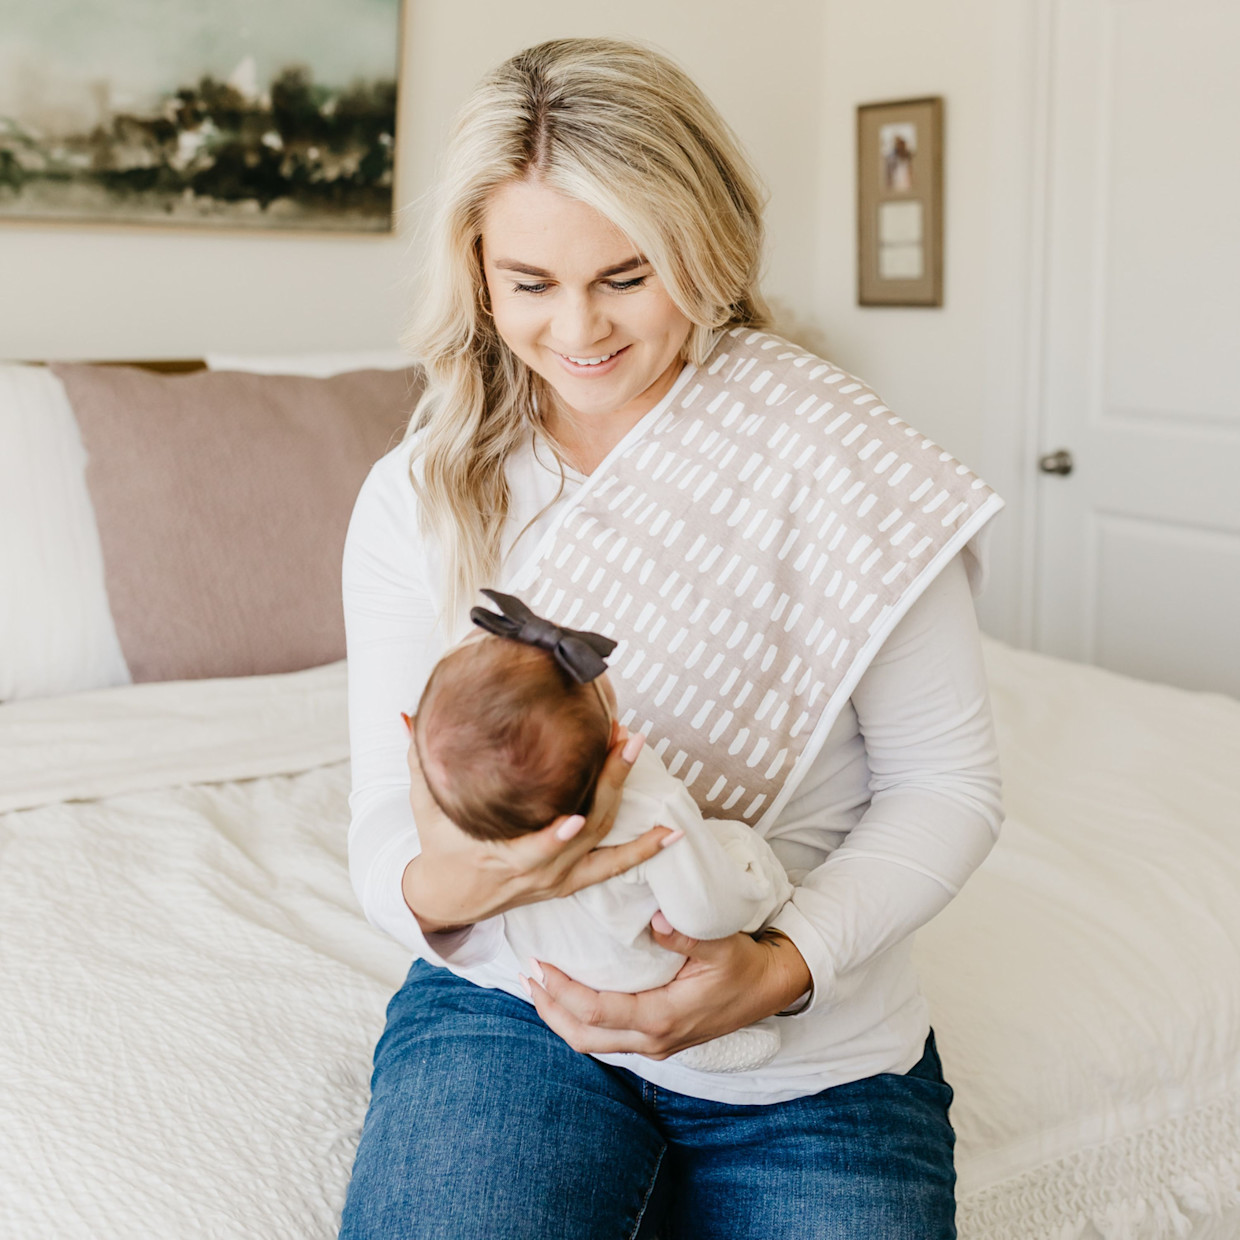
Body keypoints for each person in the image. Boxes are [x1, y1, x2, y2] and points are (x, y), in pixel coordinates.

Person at [339, 36, 1003, 1240]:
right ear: (476, 272)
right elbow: (386, 818)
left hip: (812, 1046)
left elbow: (947, 784)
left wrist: (779, 965)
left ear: (703, 247)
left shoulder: (830, 453)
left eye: (626, 275)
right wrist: (463, 882)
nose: (579, 328)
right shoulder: (423, 493)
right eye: (530, 282)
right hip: (513, 1003)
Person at [410, 588, 794, 1074]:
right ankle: (704, 1039)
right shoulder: (651, 806)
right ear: (614, 731)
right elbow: (705, 916)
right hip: (642, 972)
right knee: (739, 848)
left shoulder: (469, 817)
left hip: (548, 969)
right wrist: (748, 898)